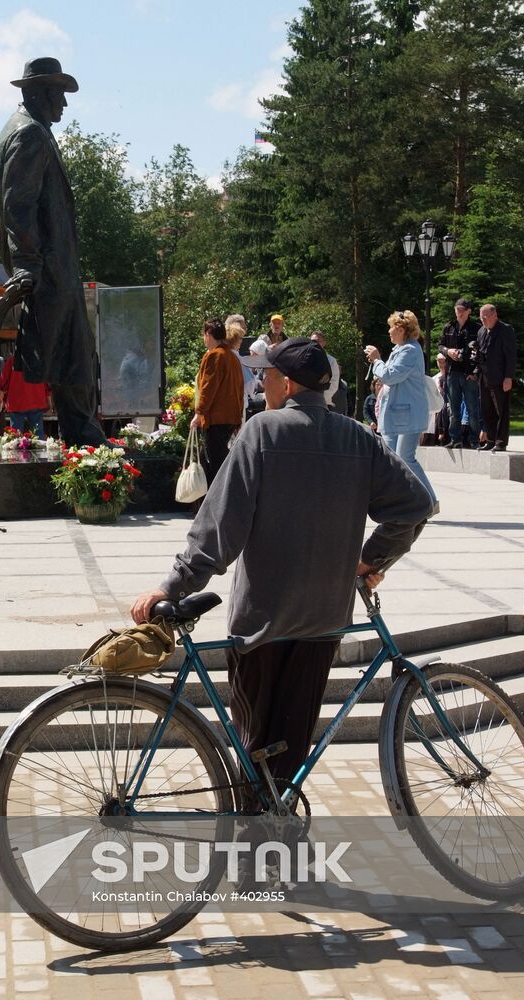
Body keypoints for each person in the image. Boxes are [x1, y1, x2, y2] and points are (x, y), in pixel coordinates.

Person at [131, 338, 432, 785]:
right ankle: (276, 830)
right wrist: (371, 561)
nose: (259, 381)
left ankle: (253, 836)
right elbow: (416, 504)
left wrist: (171, 586)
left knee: (254, 743)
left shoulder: (262, 432)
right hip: (324, 617)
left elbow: (219, 529)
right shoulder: (357, 436)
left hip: (263, 620)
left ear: (286, 384)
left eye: (264, 374)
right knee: (291, 743)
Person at [0, 57, 107, 448]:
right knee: (76, 358)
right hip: (49, 273)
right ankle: (86, 443)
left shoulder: (26, 129)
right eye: (59, 94)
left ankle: (85, 441)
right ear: (40, 93)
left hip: (52, 269)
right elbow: (17, 206)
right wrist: (28, 266)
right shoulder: (30, 135)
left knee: (74, 357)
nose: (65, 104)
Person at [364, 310, 438, 512]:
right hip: (397, 415)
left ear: (402, 329)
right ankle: (403, 501)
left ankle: (429, 501)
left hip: (408, 416)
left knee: (406, 458)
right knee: (393, 461)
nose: (388, 331)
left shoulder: (410, 351)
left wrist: (377, 360)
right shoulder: (401, 349)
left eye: (391, 327)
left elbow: (390, 376)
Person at [191, 318, 243, 485]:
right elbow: (239, 389)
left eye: (203, 335)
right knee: (223, 462)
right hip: (230, 417)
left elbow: (208, 387)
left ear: (208, 334)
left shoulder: (214, 356)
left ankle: (219, 505)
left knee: (217, 466)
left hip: (216, 418)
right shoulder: (232, 357)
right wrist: (238, 419)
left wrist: (199, 413)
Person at [438, 298, 481, 449]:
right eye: (457, 309)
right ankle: (455, 439)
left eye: (462, 310)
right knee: (453, 409)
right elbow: (440, 345)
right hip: (452, 372)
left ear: (469, 311)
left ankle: (474, 440)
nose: (459, 313)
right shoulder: (449, 326)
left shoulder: (476, 328)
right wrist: (448, 351)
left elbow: (480, 352)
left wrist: (475, 371)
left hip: (468, 373)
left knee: (472, 408)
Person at [476, 303, 517, 452]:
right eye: (481, 318)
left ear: (495, 315)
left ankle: (501, 442)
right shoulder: (481, 331)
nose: (483, 321)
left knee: (501, 410)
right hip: (484, 377)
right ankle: (491, 439)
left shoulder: (505, 330)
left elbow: (511, 355)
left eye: (486, 318)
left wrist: (508, 377)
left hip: (500, 377)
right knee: (487, 410)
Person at [0, 354, 49, 438]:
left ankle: (14, 450)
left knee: (15, 435)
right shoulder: (40, 360)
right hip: (36, 398)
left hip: (17, 400)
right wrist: (48, 397)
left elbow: (4, 379)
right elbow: (46, 380)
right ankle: (39, 450)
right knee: (38, 434)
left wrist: (1, 391)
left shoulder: (13, 360)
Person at [309, 331, 341, 409]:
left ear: (324, 343)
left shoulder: (331, 361)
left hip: (323, 404)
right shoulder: (304, 359)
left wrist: (318, 397)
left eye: (318, 341)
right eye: (312, 341)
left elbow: (334, 384)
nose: (315, 344)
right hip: (306, 402)